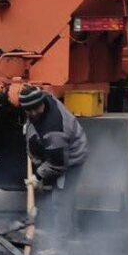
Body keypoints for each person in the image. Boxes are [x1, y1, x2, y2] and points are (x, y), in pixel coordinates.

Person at [19, 85, 88, 235]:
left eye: (36, 109)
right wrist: (28, 125)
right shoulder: (42, 100)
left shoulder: (54, 126)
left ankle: (60, 241)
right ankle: (71, 230)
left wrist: (37, 176)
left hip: (71, 158)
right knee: (62, 196)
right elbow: (32, 111)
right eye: (29, 110)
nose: (33, 113)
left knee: (61, 198)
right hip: (53, 153)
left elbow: (58, 164)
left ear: (42, 103)